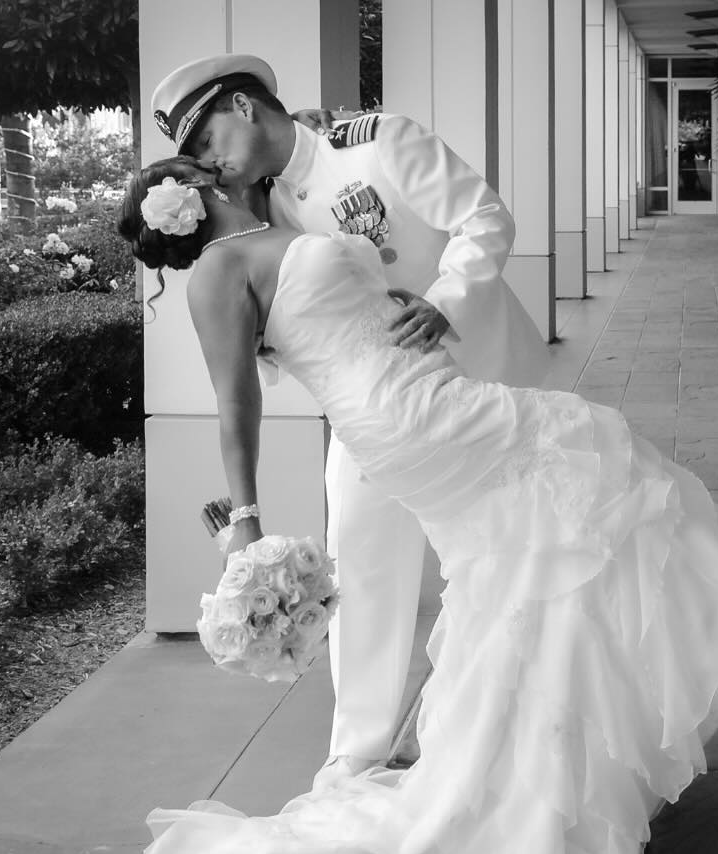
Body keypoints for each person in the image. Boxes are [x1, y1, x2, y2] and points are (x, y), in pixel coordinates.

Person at [118, 158, 718, 854]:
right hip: (402, 418)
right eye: (201, 155)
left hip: (421, 387)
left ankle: (536, 779)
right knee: (594, 452)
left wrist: (413, 305)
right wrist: (244, 521)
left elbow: (343, 304)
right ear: (194, 196)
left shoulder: (279, 226)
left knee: (527, 568)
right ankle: (540, 781)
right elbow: (238, 400)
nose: (216, 156)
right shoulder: (215, 271)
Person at [150, 54, 551, 792]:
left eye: (207, 139)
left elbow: (484, 216)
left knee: (509, 562)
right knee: (361, 561)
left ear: (241, 105)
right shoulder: (260, 210)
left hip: (476, 378)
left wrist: (445, 301)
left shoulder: (372, 141)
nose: (208, 161)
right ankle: (357, 753)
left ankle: (508, 727)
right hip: (374, 415)